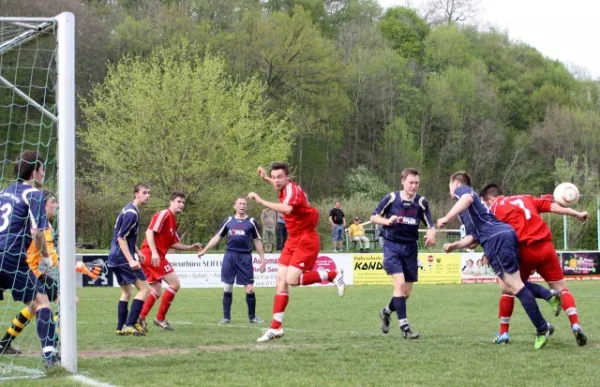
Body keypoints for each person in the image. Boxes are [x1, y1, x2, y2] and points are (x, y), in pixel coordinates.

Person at [439, 171, 554, 349]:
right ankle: (548, 295)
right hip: (505, 234)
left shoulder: (462, 190)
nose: (450, 190)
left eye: (449, 185)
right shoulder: (468, 211)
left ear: (455, 182)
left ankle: (542, 327)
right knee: (510, 284)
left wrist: (446, 218)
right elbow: (473, 238)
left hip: (496, 240)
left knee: (515, 286)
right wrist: (454, 246)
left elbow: (467, 199)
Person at [480, 183, 588, 346]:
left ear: (490, 199)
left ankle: (504, 333)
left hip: (525, 251)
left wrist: (487, 253)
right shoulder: (527, 198)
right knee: (562, 288)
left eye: (486, 203)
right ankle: (575, 324)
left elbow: (494, 233)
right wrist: (577, 214)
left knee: (508, 287)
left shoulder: (495, 208)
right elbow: (554, 208)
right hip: (546, 247)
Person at [248, 162, 345, 342]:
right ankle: (276, 328)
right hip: (293, 238)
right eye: (274, 177)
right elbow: (277, 186)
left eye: (279, 177)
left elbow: (287, 209)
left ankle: (333, 274)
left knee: (291, 280)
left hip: (306, 238)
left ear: (288, 177)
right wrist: (265, 178)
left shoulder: (291, 190)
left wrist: (261, 200)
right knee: (280, 281)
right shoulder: (283, 187)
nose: (276, 181)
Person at [0, 192, 102, 355]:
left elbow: (54, 258)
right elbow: (54, 260)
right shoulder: (41, 229)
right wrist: (83, 267)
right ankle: (55, 343)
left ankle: (5, 343)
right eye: (53, 202)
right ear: (42, 206)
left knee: (36, 307)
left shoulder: (44, 226)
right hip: (28, 272)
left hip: (31, 271)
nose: (56, 205)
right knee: (69, 301)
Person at [0, 151, 58, 367]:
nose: (44, 173)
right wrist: (45, 256)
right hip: (12, 257)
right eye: (43, 169)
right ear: (34, 171)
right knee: (42, 303)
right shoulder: (33, 194)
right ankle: (50, 357)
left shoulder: (4, 192)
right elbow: (38, 232)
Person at [371, 168, 436, 340]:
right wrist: (387, 221)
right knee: (398, 285)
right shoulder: (392, 198)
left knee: (405, 293)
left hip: (410, 249)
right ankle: (405, 328)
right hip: (392, 246)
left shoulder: (421, 202)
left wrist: (431, 234)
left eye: (417, 183)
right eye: (411, 183)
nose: (414, 186)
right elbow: (373, 217)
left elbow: (430, 224)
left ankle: (386, 312)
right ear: (402, 181)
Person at [138, 192, 202, 332]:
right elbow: (149, 232)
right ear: (171, 202)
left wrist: (189, 247)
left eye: (183, 202)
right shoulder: (164, 214)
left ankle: (140, 318)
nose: (181, 204)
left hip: (151, 255)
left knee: (155, 290)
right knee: (175, 283)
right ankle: (160, 318)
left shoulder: (173, 220)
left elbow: (173, 243)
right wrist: (154, 252)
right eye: (178, 201)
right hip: (152, 255)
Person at [198, 197, 266, 324]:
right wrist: (205, 249)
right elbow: (217, 237)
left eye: (244, 204)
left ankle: (252, 317)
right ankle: (226, 317)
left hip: (245, 257)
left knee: (250, 288)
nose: (242, 205)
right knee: (228, 287)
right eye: (239, 203)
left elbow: (257, 241)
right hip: (230, 256)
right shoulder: (228, 221)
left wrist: (263, 259)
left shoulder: (252, 222)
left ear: (247, 207)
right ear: (235, 206)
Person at [107, 183, 152, 336]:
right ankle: (130, 324)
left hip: (114, 257)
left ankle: (120, 327)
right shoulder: (132, 213)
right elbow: (121, 238)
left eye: (149, 193)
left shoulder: (128, 209)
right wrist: (131, 259)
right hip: (122, 257)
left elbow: (124, 235)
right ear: (136, 194)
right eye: (144, 192)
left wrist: (137, 251)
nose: (147, 196)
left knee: (127, 292)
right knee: (145, 288)